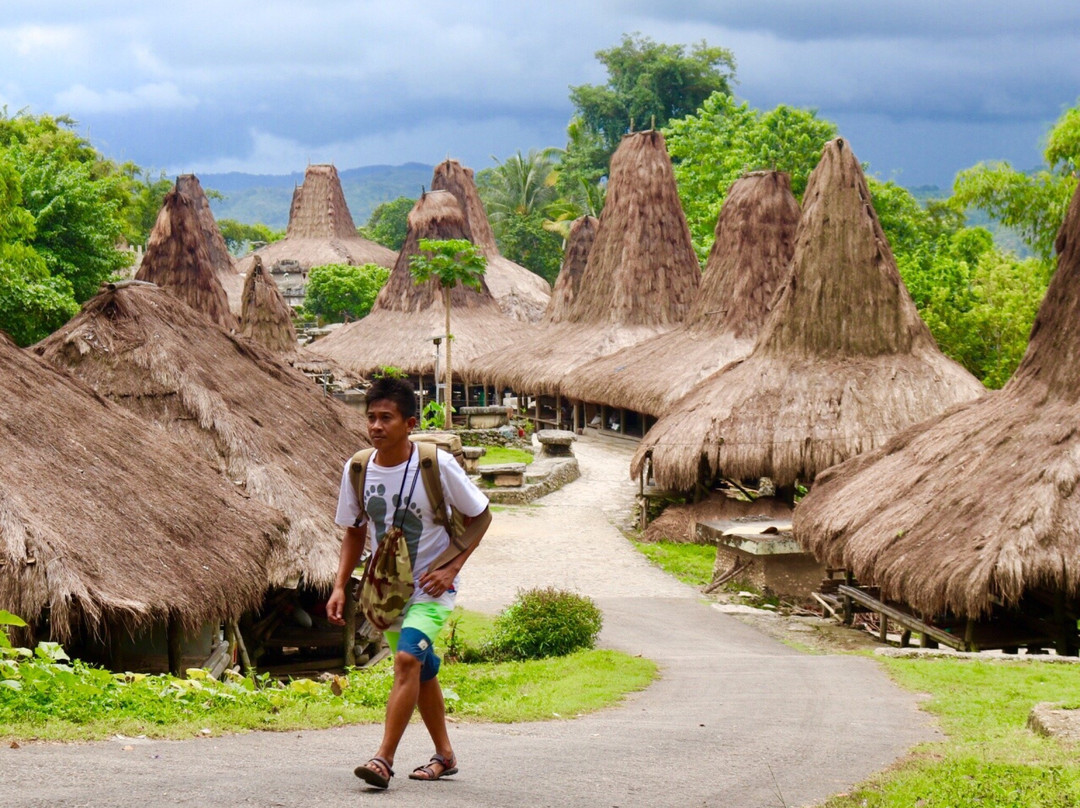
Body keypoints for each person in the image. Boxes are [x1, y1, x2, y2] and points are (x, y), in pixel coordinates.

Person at [327, 377, 491, 789]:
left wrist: (451, 569)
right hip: (389, 592)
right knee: (422, 668)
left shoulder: (435, 464)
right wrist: (338, 585)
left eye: (386, 418)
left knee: (404, 662)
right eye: (371, 418)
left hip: (433, 589)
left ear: (409, 423)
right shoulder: (358, 467)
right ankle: (445, 755)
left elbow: (481, 516)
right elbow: (353, 531)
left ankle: (382, 759)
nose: (376, 426)